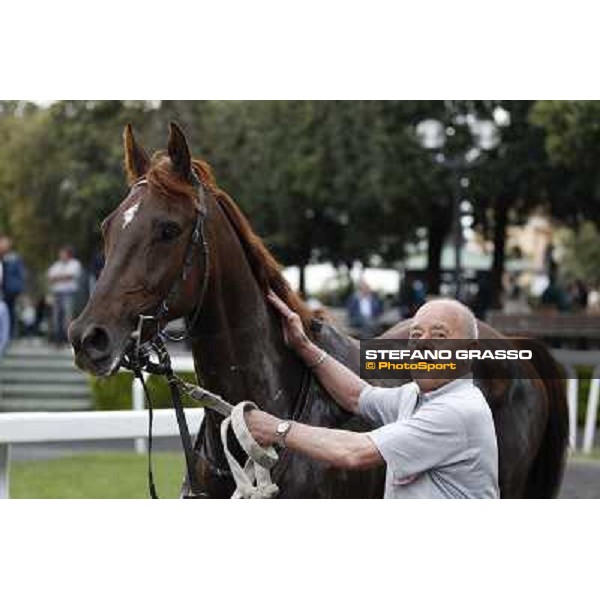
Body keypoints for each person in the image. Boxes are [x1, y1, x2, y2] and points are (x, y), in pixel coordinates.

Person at [245, 292, 499, 499]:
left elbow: (354, 452)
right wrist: (306, 348)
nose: (422, 344)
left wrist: (275, 429)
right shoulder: (416, 395)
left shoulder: (458, 411)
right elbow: (358, 396)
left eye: (439, 335)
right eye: (416, 335)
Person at [47, 246, 82, 345]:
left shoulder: (75, 264)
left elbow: (70, 276)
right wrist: (62, 277)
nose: (61, 256)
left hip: (69, 293)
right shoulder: (57, 265)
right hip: (57, 294)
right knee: (56, 317)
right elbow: (50, 277)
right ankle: (58, 339)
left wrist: (57, 277)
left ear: (69, 254)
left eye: (63, 253)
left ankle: (68, 339)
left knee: (68, 316)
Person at [0, 235, 26, 338]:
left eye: (4, 244)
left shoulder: (14, 258)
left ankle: (10, 334)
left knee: (10, 311)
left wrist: (19, 289)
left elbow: (20, 274)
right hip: (2, 288)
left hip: (10, 290)